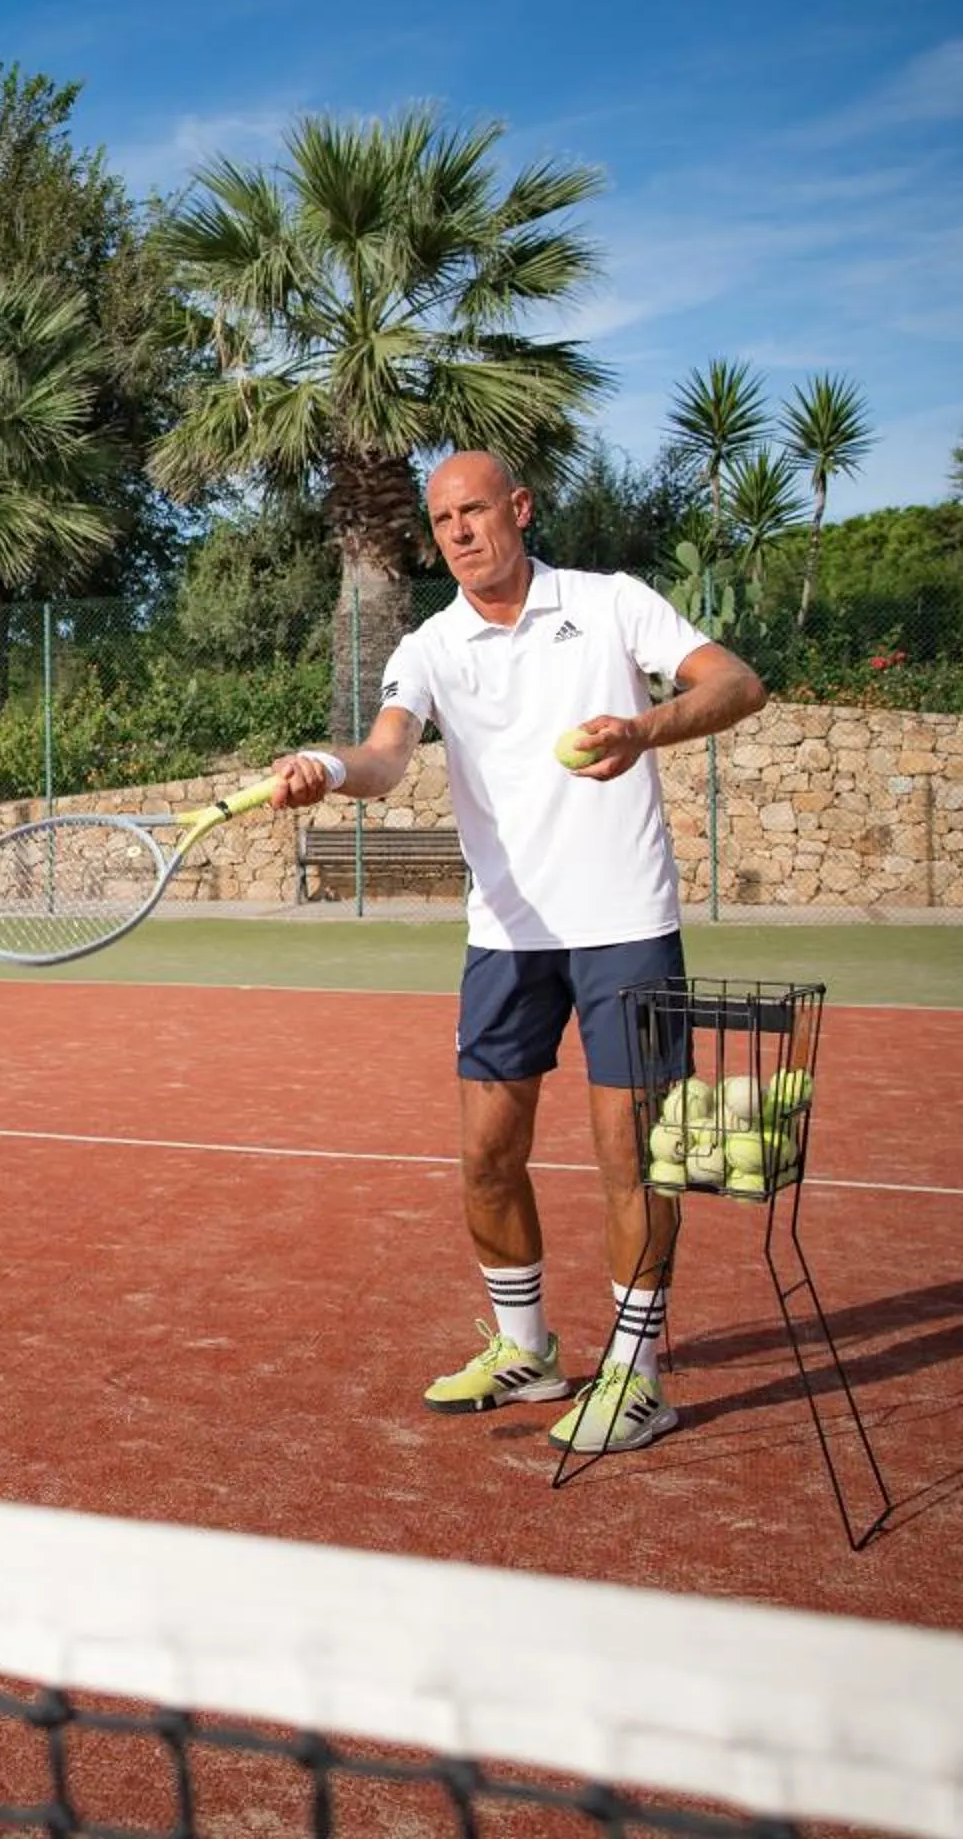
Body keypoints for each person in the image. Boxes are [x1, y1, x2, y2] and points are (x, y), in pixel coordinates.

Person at [269, 450, 768, 1453]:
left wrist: (643, 726)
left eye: (474, 509)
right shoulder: (431, 644)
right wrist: (326, 765)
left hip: (625, 923)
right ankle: (526, 1349)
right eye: (442, 517)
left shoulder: (611, 603)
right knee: (486, 1156)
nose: (457, 530)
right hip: (505, 935)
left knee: (632, 1157)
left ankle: (637, 1376)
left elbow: (737, 682)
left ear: (520, 509)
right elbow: (385, 754)